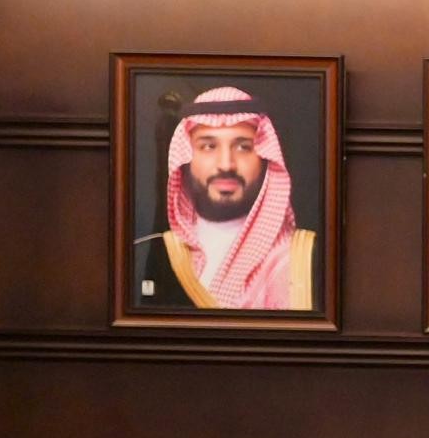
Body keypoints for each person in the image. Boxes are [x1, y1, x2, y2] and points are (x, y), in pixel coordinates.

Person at [132, 85, 319, 316]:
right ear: (186, 158)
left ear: (264, 157)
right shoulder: (144, 255)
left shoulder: (307, 258)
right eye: (208, 146)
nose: (226, 164)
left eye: (243, 147)